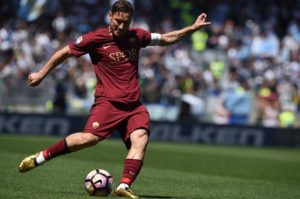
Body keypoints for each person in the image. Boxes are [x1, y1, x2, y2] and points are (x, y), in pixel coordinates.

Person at [18, 0, 211, 198]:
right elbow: (65, 52)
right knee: (89, 139)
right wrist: (42, 73)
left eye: (125, 22)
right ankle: (41, 157)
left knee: (140, 140)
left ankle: (124, 186)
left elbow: (166, 38)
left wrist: (192, 28)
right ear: (110, 16)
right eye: (118, 21)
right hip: (108, 103)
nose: (121, 26)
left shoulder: (137, 35)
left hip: (134, 106)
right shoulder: (94, 39)